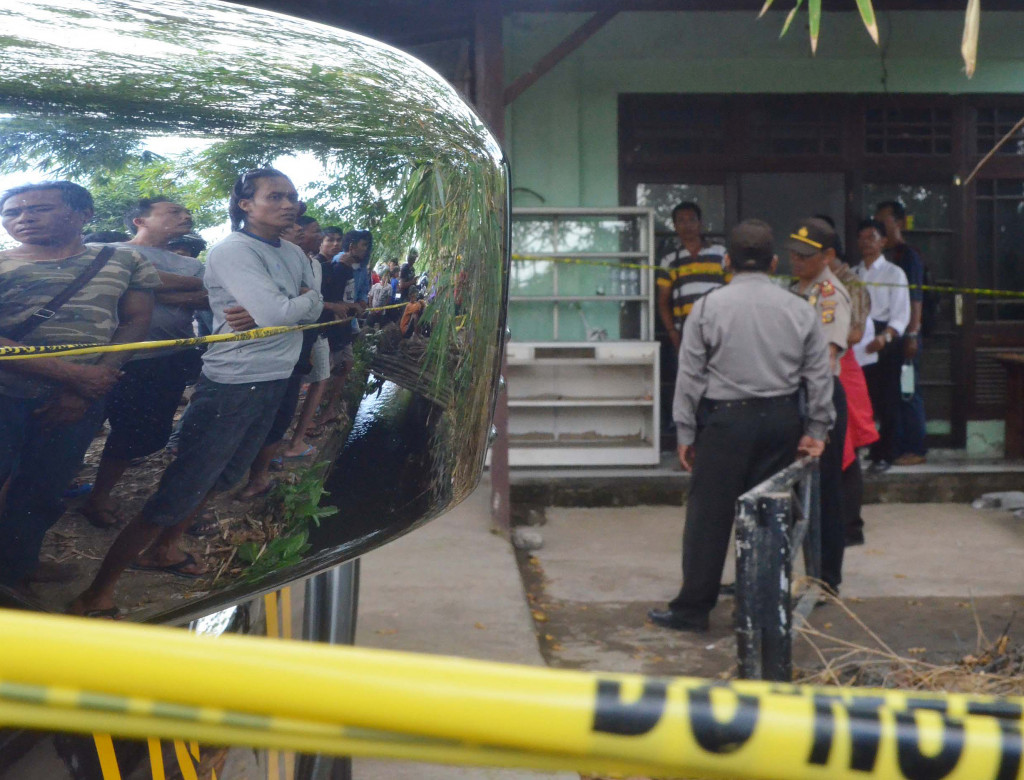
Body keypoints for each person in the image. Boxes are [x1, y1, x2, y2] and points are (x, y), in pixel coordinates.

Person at [71, 168, 324, 617]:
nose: (289, 204)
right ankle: (97, 592)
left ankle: (166, 549)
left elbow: (304, 309)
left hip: (273, 376)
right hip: (234, 382)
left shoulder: (292, 251)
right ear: (246, 205)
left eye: (292, 196)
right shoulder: (233, 250)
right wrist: (291, 306)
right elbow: (281, 312)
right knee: (183, 485)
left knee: (225, 477)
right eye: (276, 196)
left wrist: (292, 307)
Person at [647, 219, 833, 632]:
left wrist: (685, 433)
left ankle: (693, 610)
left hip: (726, 423)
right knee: (771, 516)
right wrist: (816, 431)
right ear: (773, 262)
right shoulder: (799, 309)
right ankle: (762, 609)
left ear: (727, 261)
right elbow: (819, 376)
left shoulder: (708, 308)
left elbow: (689, 375)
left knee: (708, 518)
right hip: (782, 421)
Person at [0, 181, 160, 591]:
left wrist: (90, 385)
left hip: (82, 397)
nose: (23, 219)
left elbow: (135, 321)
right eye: (12, 213)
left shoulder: (124, 260)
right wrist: (72, 376)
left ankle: (15, 568)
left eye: (38, 209)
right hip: (5, 393)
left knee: (44, 487)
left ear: (84, 215)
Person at [79, 197, 207, 529]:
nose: (185, 215)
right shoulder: (105, 250)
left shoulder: (194, 265)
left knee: (138, 433)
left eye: (186, 211)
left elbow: (209, 295)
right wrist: (168, 289)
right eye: (175, 211)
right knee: (77, 425)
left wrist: (140, 288)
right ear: (140, 221)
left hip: (164, 359)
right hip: (106, 357)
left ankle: (99, 495)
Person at [786, 218, 852, 596]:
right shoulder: (797, 288)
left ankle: (828, 578)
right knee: (798, 490)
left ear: (827, 256)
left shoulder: (829, 293)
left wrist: (816, 417)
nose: (796, 259)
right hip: (798, 392)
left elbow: (826, 359)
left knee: (824, 488)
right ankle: (799, 570)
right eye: (794, 252)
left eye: (805, 255)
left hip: (821, 394)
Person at [853, 218, 911, 473]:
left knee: (886, 399)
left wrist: (885, 337)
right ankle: (856, 452)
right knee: (858, 399)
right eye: (863, 237)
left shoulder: (894, 273)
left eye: (872, 237)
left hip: (883, 337)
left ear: (883, 242)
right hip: (856, 337)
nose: (867, 242)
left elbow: (901, 314)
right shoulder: (853, 274)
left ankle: (884, 454)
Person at [875, 200, 927, 466]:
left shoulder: (908, 256)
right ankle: (896, 446)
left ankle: (916, 448)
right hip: (892, 337)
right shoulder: (887, 258)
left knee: (909, 390)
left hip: (907, 336)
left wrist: (912, 334)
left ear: (899, 223)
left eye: (884, 222)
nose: (882, 228)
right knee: (894, 393)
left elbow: (915, 297)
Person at [655, 202, 728, 353]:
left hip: (720, 329)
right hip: (686, 332)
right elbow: (663, 301)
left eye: (691, 220)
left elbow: (735, 290)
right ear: (675, 226)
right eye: (681, 221)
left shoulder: (721, 253)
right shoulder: (669, 260)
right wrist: (672, 332)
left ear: (700, 224)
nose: (687, 225)